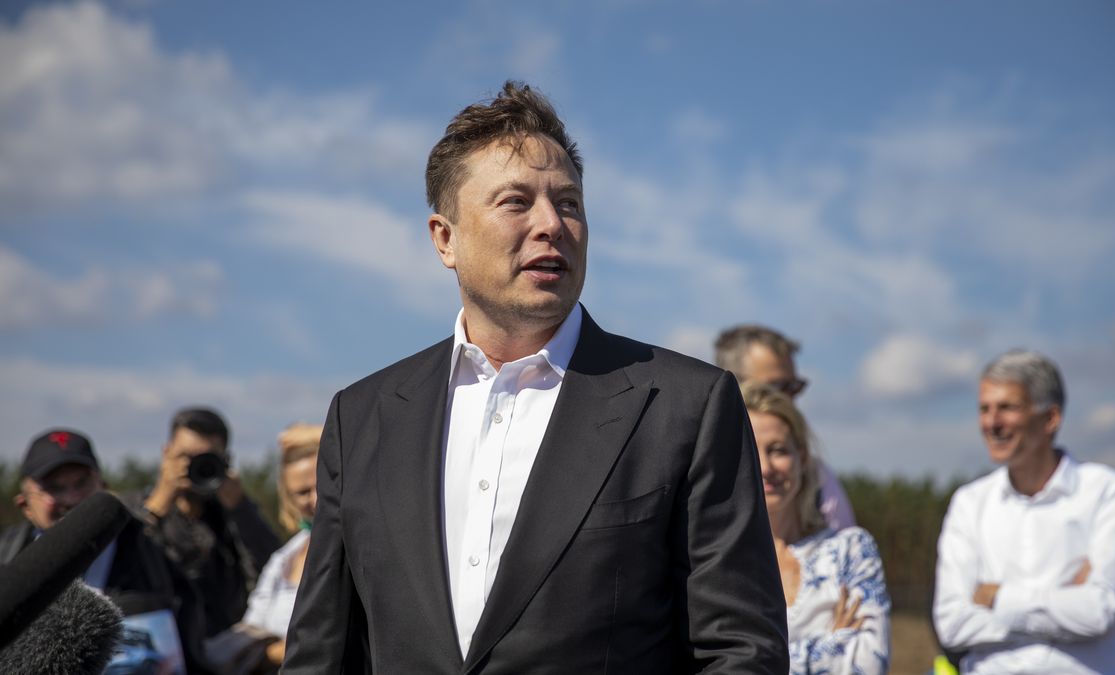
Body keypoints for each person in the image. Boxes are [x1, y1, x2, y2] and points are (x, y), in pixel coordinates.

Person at [283, 81, 787, 673]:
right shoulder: (362, 416)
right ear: (445, 238)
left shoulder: (685, 405)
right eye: (516, 201)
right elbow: (322, 650)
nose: (552, 223)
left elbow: (740, 652)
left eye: (569, 203)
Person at [933, 350, 1115, 674]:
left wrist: (998, 597)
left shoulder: (1110, 493)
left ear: (1050, 418)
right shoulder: (969, 503)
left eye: (1007, 408)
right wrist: (1063, 606)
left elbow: (1101, 612)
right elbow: (951, 623)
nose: (992, 422)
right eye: (984, 409)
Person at [0, 429, 214, 674]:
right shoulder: (7, 560)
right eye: (54, 488)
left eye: (81, 483)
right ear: (24, 504)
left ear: (104, 487)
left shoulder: (154, 557)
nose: (71, 499)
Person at [741, 382, 890, 674]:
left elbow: (870, 664)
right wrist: (832, 645)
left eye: (778, 450)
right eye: (750, 451)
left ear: (803, 457)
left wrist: (757, 658)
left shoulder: (851, 550)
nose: (766, 466)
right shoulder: (721, 563)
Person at [141, 407, 280, 637]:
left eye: (207, 458)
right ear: (166, 454)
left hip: (226, 650)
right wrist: (157, 507)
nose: (195, 467)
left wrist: (240, 508)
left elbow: (272, 569)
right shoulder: (137, 509)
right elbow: (122, 566)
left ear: (225, 461)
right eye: (186, 457)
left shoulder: (232, 514)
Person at [715, 323, 857, 529]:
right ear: (729, 386)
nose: (789, 398)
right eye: (775, 387)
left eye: (795, 386)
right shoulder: (693, 468)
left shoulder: (817, 478)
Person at [241, 423, 322, 667]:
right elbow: (251, 628)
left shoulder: (361, 547)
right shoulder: (283, 558)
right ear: (288, 497)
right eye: (303, 492)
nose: (316, 499)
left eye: (322, 485)